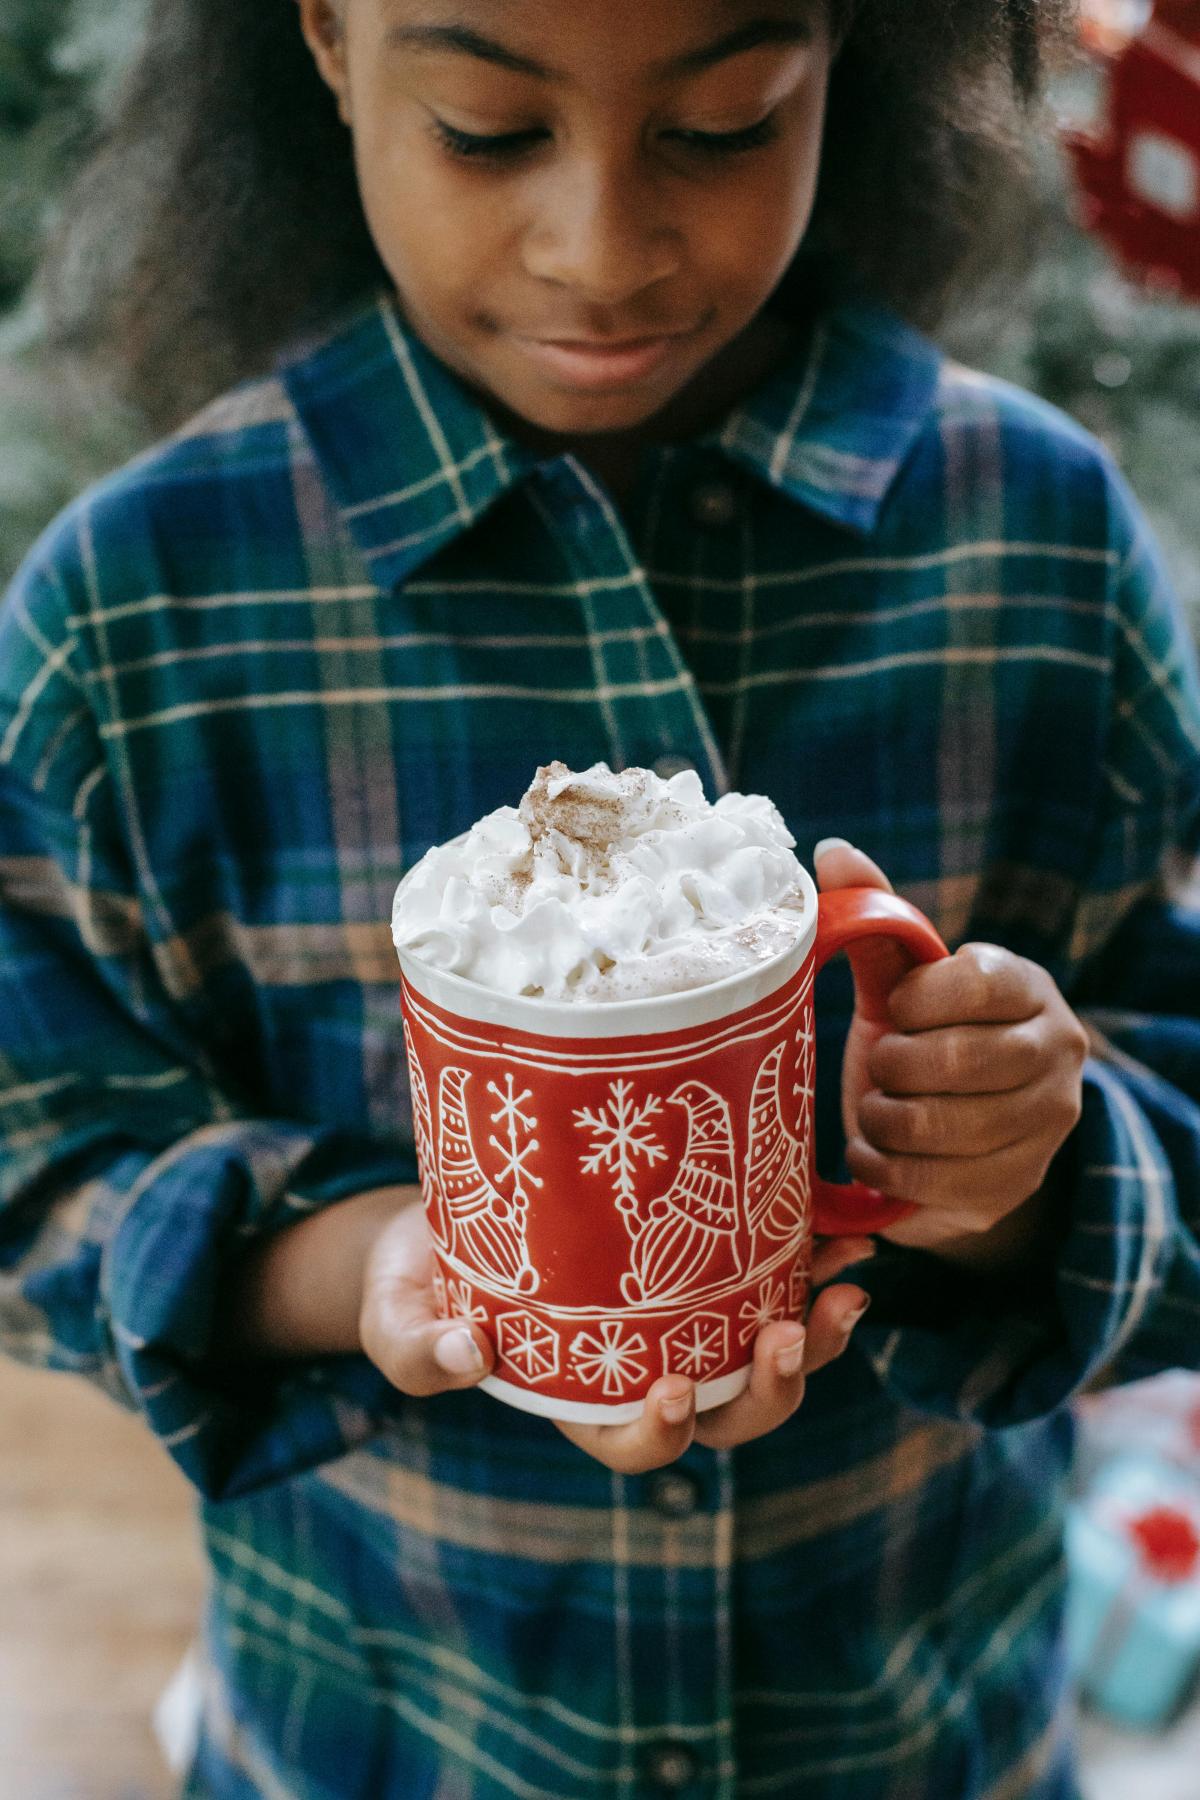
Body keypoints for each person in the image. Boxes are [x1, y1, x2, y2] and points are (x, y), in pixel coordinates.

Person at [2, 0, 1198, 1794]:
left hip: (923, 1730)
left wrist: (1025, 1168)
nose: (604, 249)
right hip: (380, 1741)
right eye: (488, 131)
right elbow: (36, 1163)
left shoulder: (1038, 545)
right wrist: (364, 1272)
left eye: (723, 127)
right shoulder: (143, 610)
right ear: (329, 40)